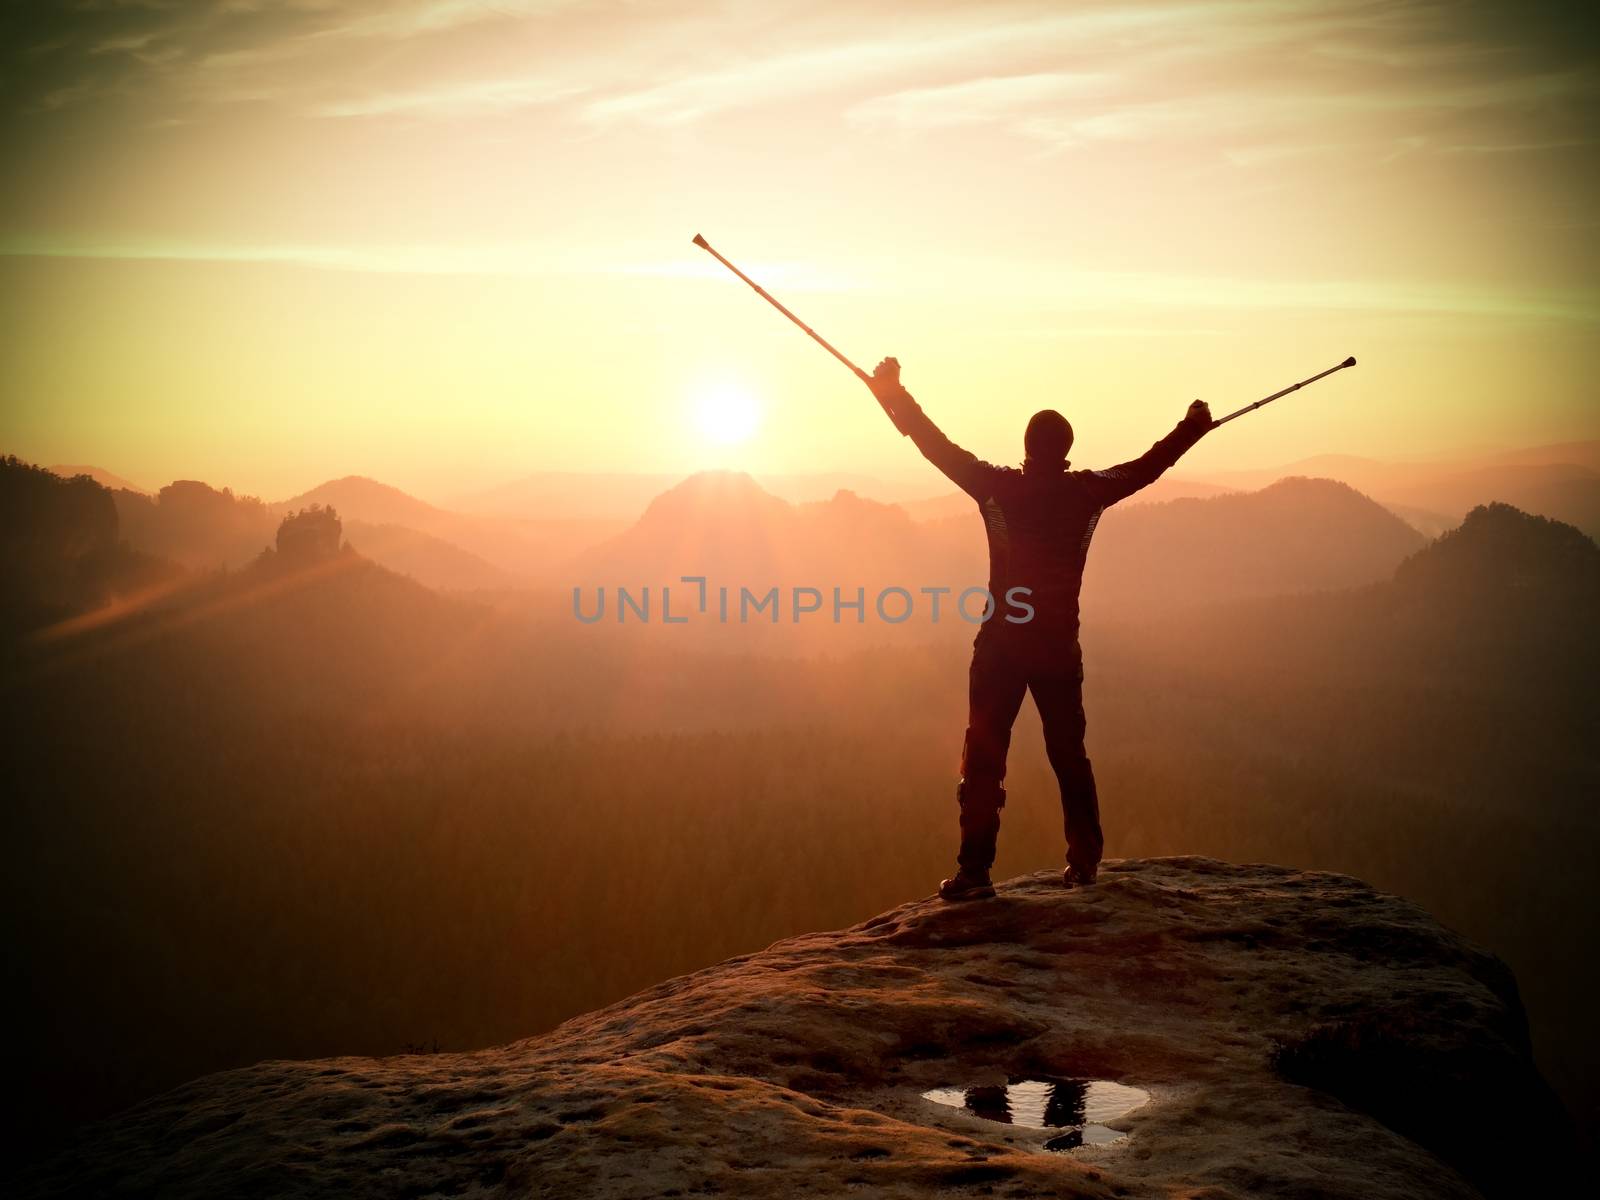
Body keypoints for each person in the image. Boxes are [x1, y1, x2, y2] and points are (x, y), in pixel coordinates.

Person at [866, 357, 1213, 901]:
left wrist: (893, 395)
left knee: (983, 759)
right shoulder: (1088, 492)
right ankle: (1085, 862)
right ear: (1066, 451)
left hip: (1001, 646)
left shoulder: (995, 487)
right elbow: (1149, 466)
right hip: (1057, 649)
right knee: (1069, 755)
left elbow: (936, 447)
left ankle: (975, 873)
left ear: (1027, 450)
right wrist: (1192, 427)